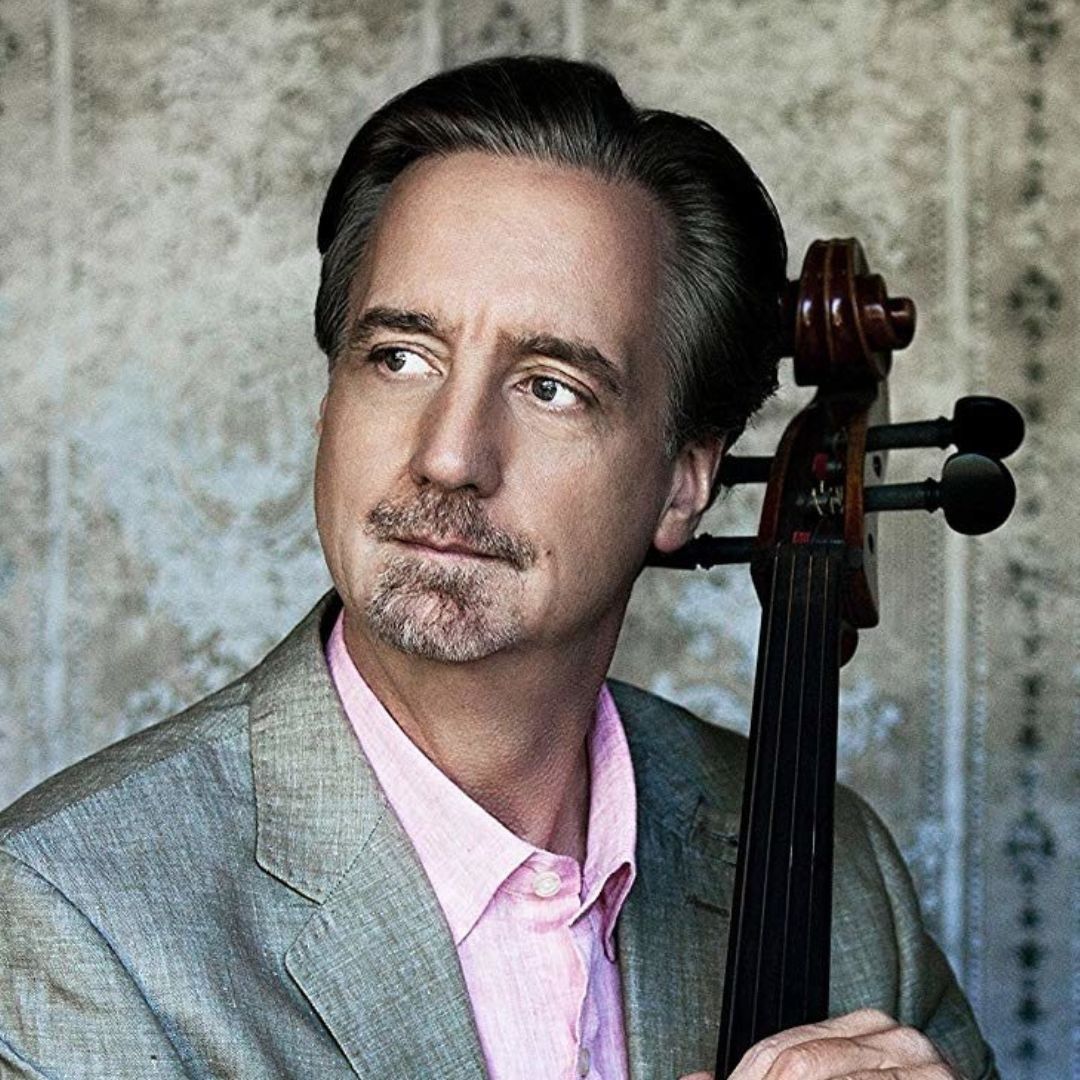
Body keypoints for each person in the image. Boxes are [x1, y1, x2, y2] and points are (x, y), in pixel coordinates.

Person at [0, 56, 995, 1079]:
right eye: (400, 357)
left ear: (682, 482)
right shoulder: (72, 920)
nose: (449, 454)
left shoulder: (843, 882)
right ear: (330, 401)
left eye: (551, 385)